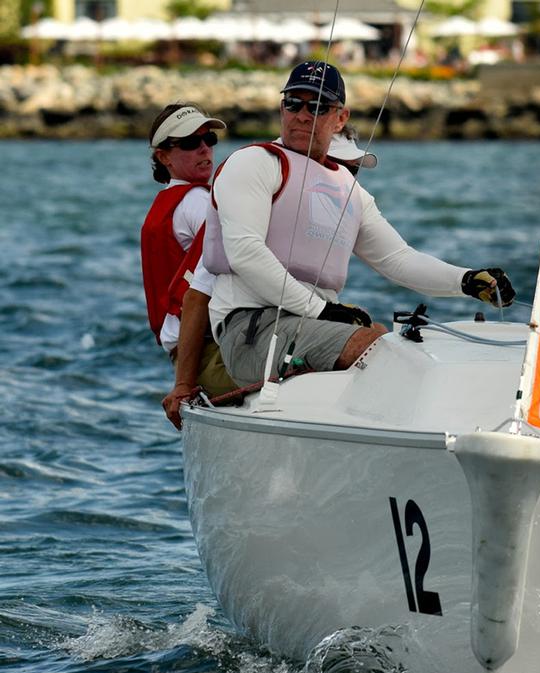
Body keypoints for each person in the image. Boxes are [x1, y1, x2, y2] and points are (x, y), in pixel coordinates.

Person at [204, 61, 515, 387]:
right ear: (282, 108)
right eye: (293, 103)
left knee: (391, 342)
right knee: (378, 349)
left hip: (309, 323)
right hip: (253, 327)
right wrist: (321, 311)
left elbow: (398, 259)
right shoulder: (254, 163)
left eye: (318, 106)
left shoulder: (350, 191)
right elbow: (245, 253)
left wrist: (465, 281)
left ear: (341, 118)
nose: (302, 114)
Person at [161, 124, 379, 429]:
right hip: (222, 351)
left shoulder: (322, 207)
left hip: (275, 331)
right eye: (335, 167)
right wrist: (182, 385)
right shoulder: (250, 212)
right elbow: (196, 297)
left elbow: (399, 259)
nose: (341, 180)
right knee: (372, 348)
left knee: (383, 338)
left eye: (350, 173)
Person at [141, 103, 239, 427]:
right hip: (206, 353)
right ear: (163, 156)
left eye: (209, 139)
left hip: (183, 353)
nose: (204, 149)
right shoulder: (198, 203)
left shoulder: (167, 204)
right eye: (189, 143)